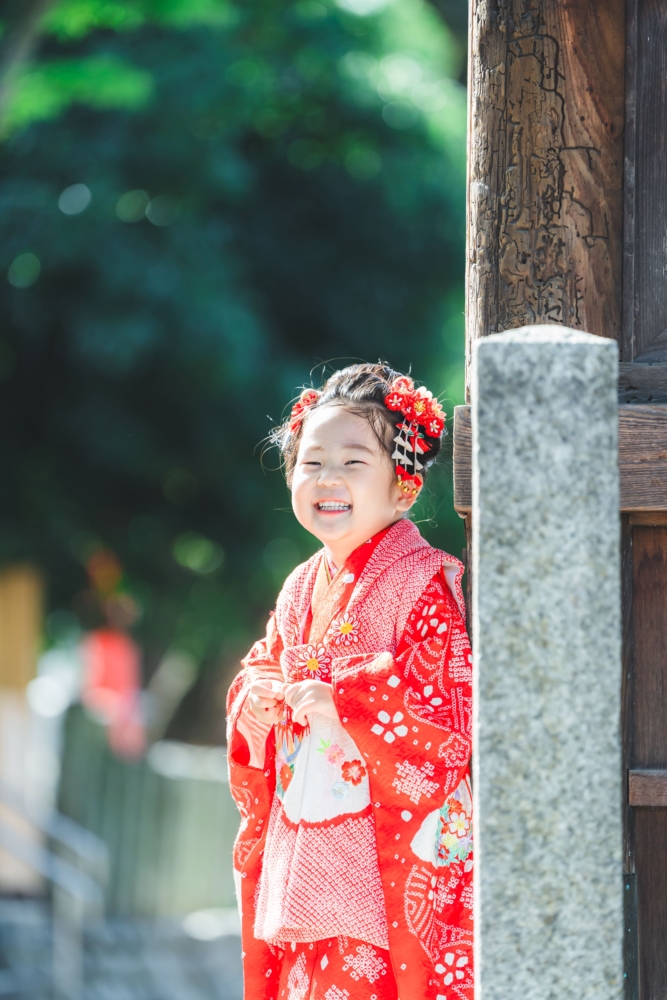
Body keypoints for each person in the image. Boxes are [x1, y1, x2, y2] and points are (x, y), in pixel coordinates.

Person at [227, 363, 473, 1000]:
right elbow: (265, 666)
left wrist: (344, 707)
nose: (327, 478)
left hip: (379, 870)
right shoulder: (300, 588)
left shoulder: (421, 582)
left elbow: (448, 720)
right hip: (306, 862)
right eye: (310, 463)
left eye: (353, 461)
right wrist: (256, 704)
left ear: (404, 488)